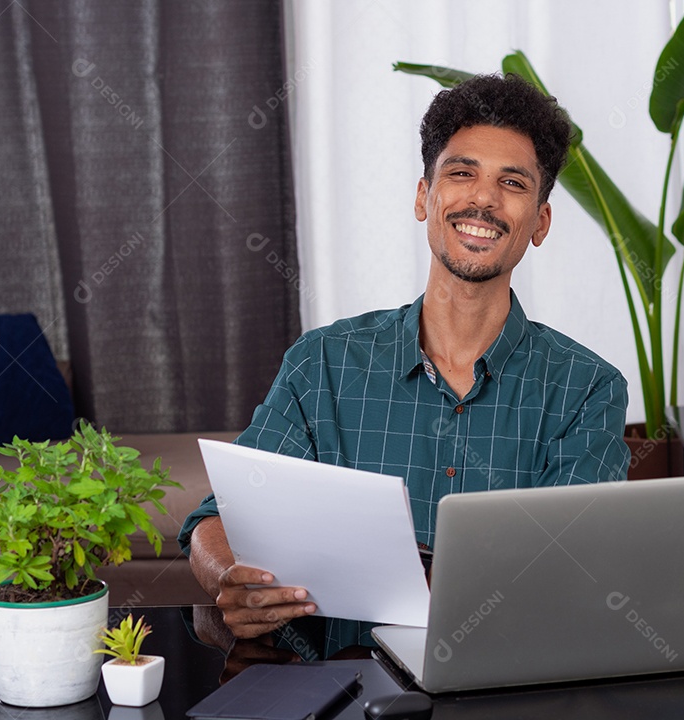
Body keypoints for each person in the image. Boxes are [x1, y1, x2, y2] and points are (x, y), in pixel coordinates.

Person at [180, 73, 631, 657]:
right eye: (462, 173)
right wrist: (227, 581)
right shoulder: (323, 362)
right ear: (424, 197)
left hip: (506, 691)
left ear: (540, 222)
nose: (484, 199)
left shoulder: (586, 390)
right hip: (339, 691)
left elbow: (572, 569)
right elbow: (215, 521)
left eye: (512, 183)